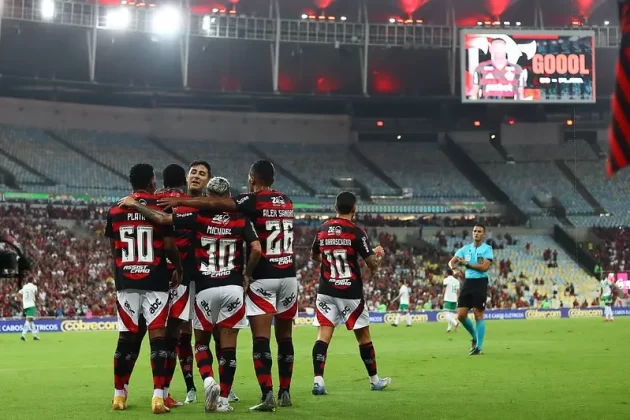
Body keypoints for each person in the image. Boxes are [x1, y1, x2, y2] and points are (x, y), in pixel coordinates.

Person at [157, 160, 296, 411]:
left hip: (208, 284)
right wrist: (246, 274)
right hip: (260, 280)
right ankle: (233, 397)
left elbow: (166, 219)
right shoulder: (278, 204)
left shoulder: (199, 214)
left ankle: (210, 381)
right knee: (259, 339)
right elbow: (255, 247)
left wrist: (138, 205)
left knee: (202, 340)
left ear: (252, 178)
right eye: (193, 172)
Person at [106, 163, 183, 414]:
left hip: (127, 281)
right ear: (151, 181)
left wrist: (119, 280)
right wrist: (179, 268)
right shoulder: (161, 207)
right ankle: (158, 397)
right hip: (155, 280)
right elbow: (169, 246)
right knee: (158, 338)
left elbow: (114, 251)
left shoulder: (115, 210)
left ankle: (119, 396)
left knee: (125, 339)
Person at [310, 191, 391, 395]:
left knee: (323, 335)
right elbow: (373, 265)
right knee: (363, 336)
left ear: (335, 207)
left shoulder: (323, 229)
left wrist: (329, 262)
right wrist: (378, 254)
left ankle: (318, 381)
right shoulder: (356, 232)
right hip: (350, 292)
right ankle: (375, 381)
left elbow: (314, 255)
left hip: (326, 290)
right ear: (354, 208)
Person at [155, 164, 196, 408]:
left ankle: (124, 393)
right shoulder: (191, 204)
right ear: (184, 181)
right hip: (180, 277)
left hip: (154, 275)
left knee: (151, 336)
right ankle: (164, 392)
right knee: (173, 337)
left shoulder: (154, 200)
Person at [448, 224, 493, 355]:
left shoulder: (487, 249)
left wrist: (467, 264)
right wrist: (454, 269)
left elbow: (484, 267)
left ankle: (478, 347)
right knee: (461, 315)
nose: (476, 233)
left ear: (483, 234)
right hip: (468, 282)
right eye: (474, 231)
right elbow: (451, 262)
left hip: (480, 282)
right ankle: (475, 337)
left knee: (478, 314)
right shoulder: (465, 249)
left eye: (479, 231)